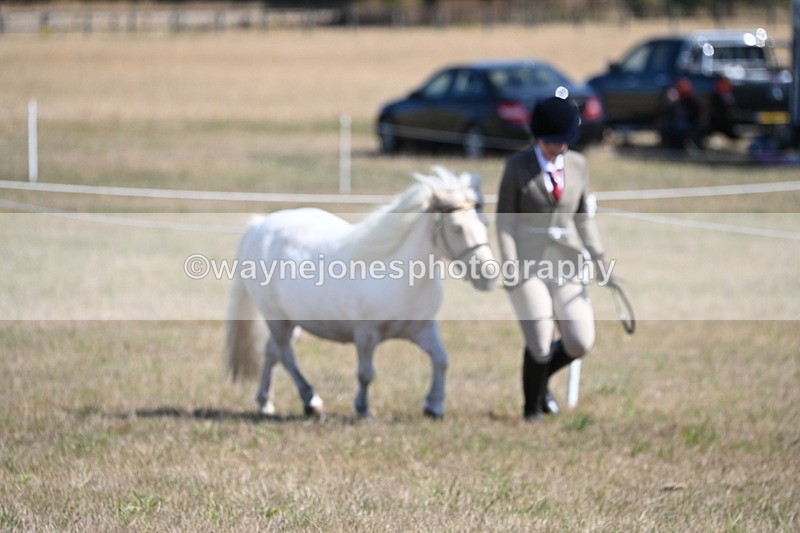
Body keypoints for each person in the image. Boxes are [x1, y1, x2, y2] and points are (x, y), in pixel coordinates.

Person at [495, 95, 611, 422]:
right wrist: (510, 265)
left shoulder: (578, 166)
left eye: (562, 142)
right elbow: (504, 222)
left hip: (566, 263)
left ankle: (542, 380)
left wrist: (599, 256)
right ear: (537, 136)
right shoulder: (517, 168)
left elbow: (582, 216)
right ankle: (532, 408)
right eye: (551, 141)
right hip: (528, 266)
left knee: (579, 341)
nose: (557, 148)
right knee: (541, 343)